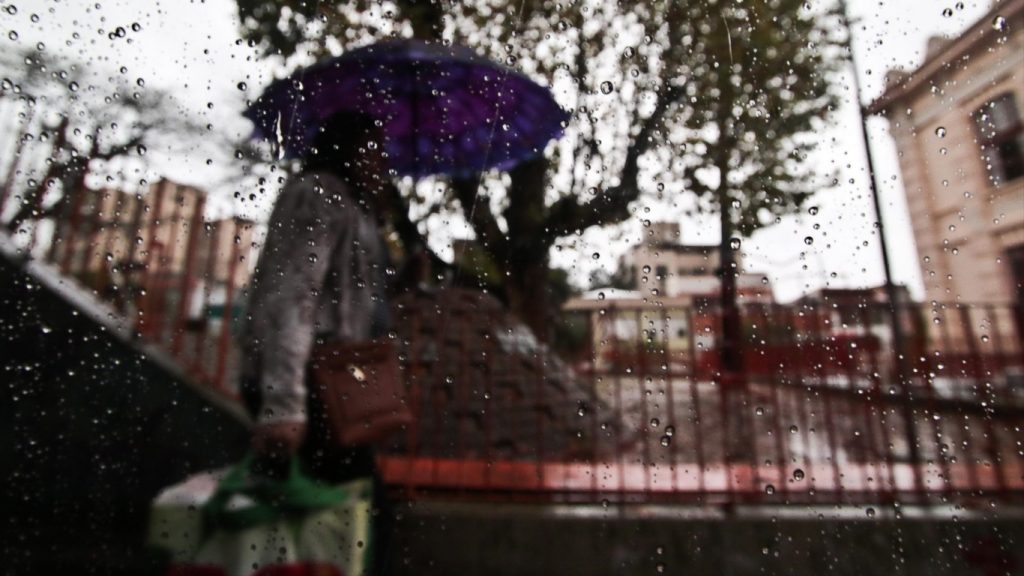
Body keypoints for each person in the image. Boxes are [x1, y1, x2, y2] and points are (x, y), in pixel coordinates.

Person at [238, 110, 393, 573]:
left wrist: (401, 270)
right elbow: (293, 295)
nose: (380, 160)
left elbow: (355, 299)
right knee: (347, 513)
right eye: (371, 147)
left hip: (329, 379)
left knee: (337, 514)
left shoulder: (354, 206)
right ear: (346, 148)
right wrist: (284, 405)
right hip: (306, 378)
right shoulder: (318, 193)